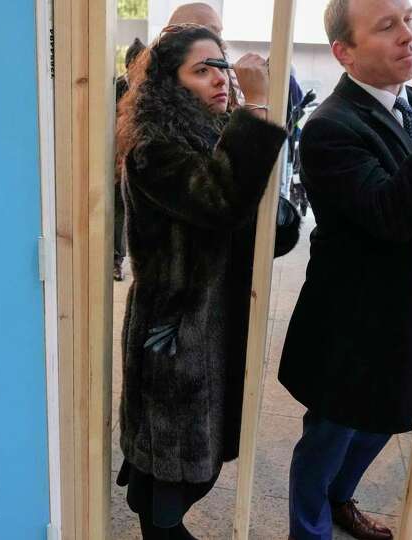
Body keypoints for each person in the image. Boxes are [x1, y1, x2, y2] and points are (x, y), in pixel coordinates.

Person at [276, 0, 412, 538]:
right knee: (331, 433)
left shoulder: (411, 105)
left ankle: (339, 502)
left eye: (409, 18)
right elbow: (393, 213)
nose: (408, 35)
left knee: (377, 425)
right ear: (343, 52)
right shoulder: (330, 126)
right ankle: (310, 528)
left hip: (404, 308)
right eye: (386, 26)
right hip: (350, 321)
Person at [114, 24, 287, 539]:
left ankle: (156, 517)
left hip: (217, 322)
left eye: (222, 66)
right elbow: (220, 200)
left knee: (192, 459)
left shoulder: (216, 137)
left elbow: (265, 230)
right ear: (170, 83)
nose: (219, 78)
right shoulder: (153, 150)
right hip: (175, 333)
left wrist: (278, 213)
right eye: (201, 69)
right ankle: (161, 526)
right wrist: (255, 108)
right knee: (180, 462)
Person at [114, 38, 147, 281]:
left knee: (132, 213)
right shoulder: (117, 88)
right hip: (117, 159)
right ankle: (117, 259)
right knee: (119, 210)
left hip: (139, 160)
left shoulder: (151, 91)